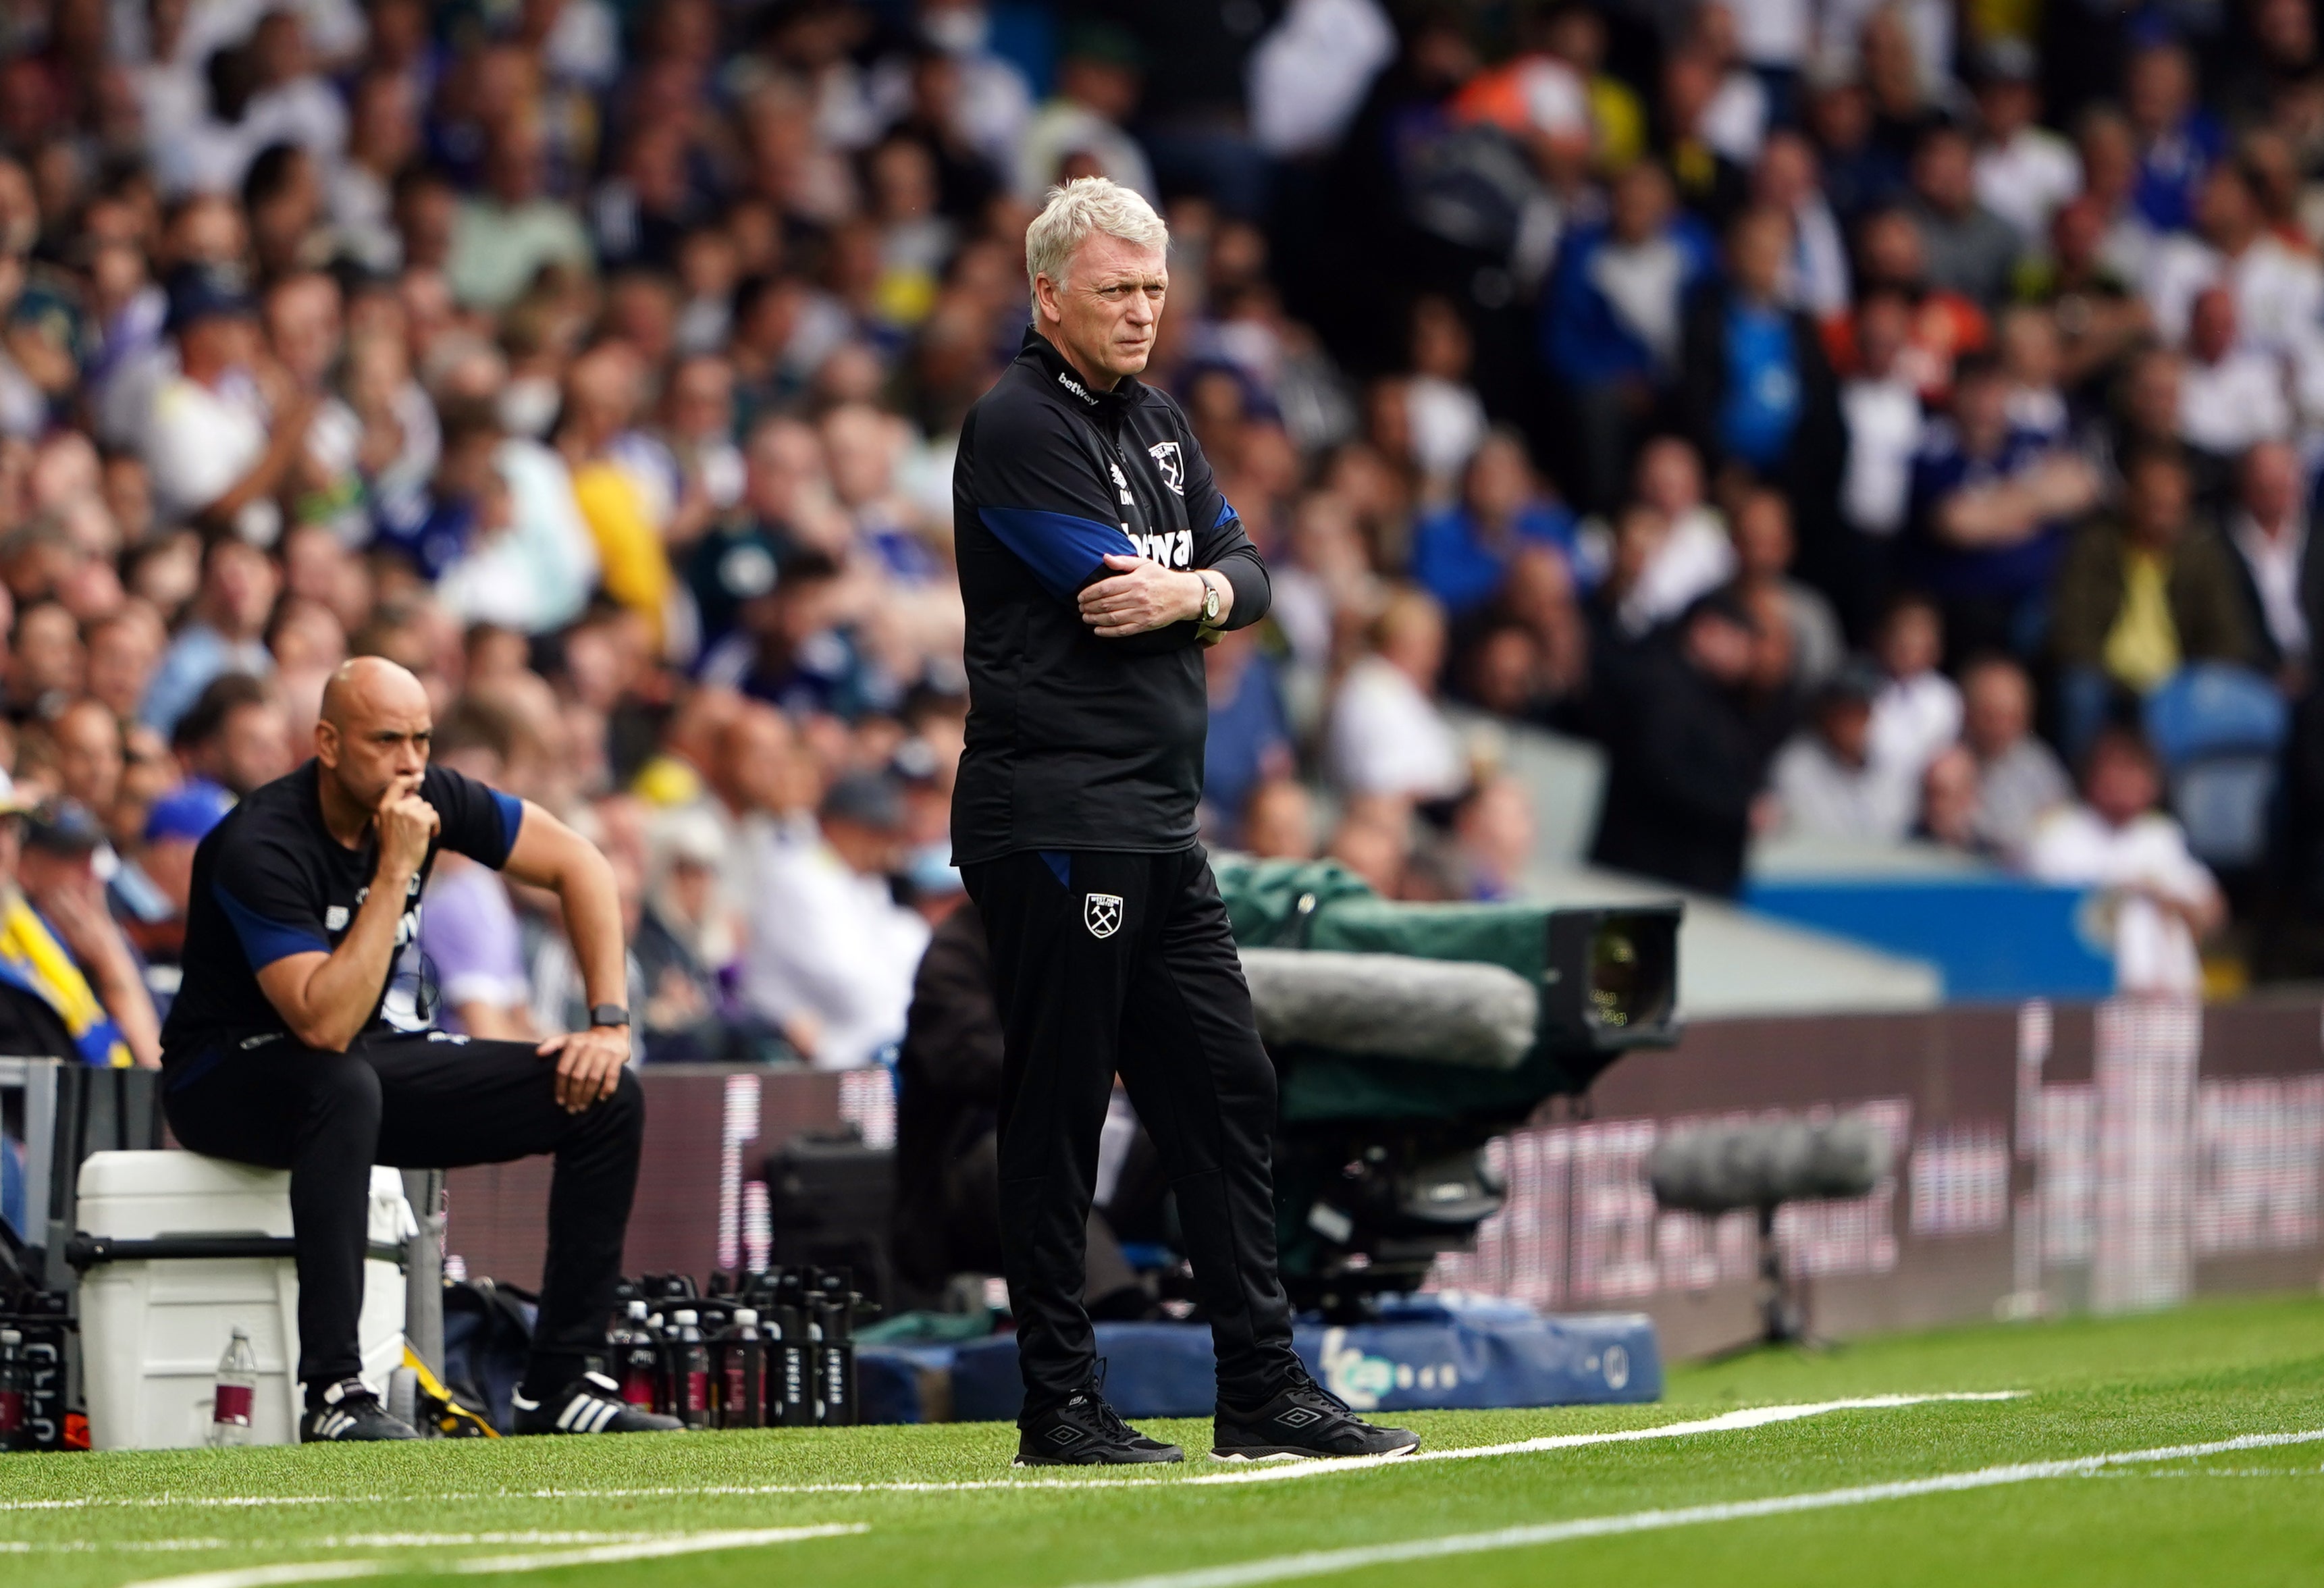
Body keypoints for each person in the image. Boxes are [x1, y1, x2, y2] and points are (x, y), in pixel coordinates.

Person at [950, 177, 1415, 1466]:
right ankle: (1059, 1401)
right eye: (1116, 289)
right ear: (1047, 295)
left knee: (1226, 1088)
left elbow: (1245, 574)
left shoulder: (1158, 422)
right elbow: (1105, 588)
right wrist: (1197, 589)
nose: (1142, 311)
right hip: (1056, 813)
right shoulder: (1014, 421)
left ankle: (1260, 1386)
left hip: (1159, 820)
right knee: (1058, 1108)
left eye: (1155, 288)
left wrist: (1194, 592)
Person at [158, 657, 682, 1442]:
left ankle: (560, 1385)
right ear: (328, 743)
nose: (410, 763)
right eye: (386, 741)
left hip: (354, 1062)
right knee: (340, 1082)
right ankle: (334, 1393)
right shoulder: (259, 842)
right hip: (223, 1074)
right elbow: (322, 1025)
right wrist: (395, 870)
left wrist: (609, 1024)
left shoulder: (430, 795)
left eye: (422, 741)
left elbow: (581, 864)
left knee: (605, 1096)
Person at [2025, 726, 2223, 995]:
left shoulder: (2162, 836)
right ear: (2092, 776)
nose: (2124, 782)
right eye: (2116, 771)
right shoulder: (2059, 835)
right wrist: (2121, 890)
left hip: (2166, 998)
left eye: (2134, 772)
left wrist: (2162, 895)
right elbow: (2044, 914)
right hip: (2084, 993)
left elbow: (2212, 912)